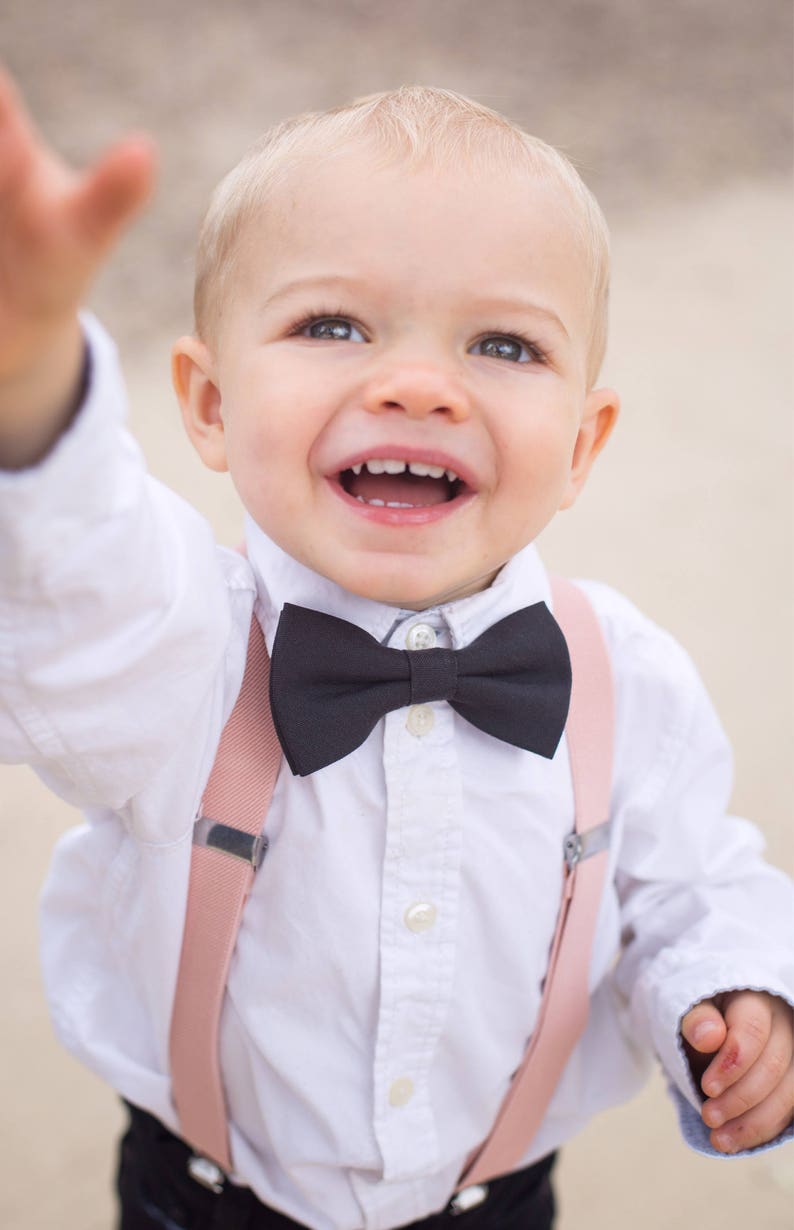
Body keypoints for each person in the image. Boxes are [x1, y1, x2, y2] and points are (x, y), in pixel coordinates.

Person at [0, 68, 791, 1230]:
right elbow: (73, 584)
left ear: (582, 443)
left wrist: (730, 994)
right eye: (331, 325)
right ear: (209, 405)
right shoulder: (183, 649)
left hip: (498, 1199)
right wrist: (29, 384)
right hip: (209, 1200)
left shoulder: (620, 676)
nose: (418, 386)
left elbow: (688, 882)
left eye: (503, 345)